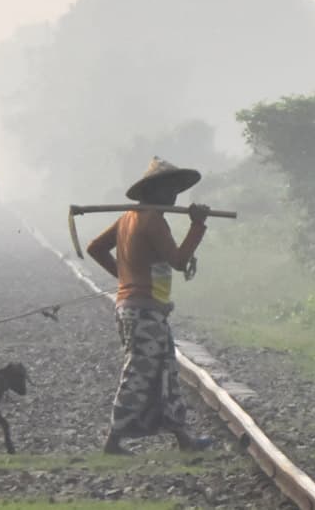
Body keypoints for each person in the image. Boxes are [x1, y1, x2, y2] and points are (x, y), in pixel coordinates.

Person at [86, 156, 214, 455]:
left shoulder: (128, 216)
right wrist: (197, 226)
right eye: (168, 189)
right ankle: (113, 440)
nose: (173, 197)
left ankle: (183, 438)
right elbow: (179, 261)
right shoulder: (152, 218)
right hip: (142, 309)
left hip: (138, 307)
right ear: (152, 190)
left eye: (175, 190)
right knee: (140, 372)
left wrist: (125, 277)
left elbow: (95, 248)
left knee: (165, 368)